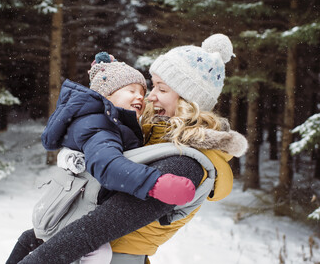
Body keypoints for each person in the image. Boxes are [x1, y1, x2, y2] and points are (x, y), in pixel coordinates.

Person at [15, 33, 248, 264]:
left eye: (162, 89)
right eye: (152, 87)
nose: (150, 97)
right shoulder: (147, 137)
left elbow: (97, 227)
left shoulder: (185, 164)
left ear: (189, 100)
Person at [6, 52, 196, 264]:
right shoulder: (101, 128)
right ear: (106, 96)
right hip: (73, 213)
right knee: (99, 254)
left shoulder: (107, 122)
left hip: (65, 208)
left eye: (142, 91)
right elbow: (108, 166)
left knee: (35, 240)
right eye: (131, 90)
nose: (141, 96)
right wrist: (154, 183)